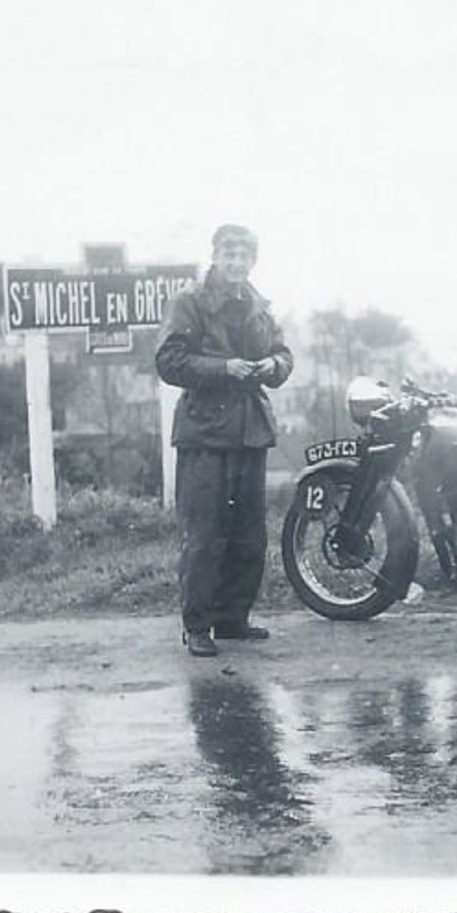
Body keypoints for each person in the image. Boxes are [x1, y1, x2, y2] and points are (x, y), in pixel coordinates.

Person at [156, 224, 294, 657]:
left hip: (249, 430)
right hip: (204, 431)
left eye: (243, 257)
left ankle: (233, 619)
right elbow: (168, 360)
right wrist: (223, 368)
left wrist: (273, 365)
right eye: (228, 255)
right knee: (204, 532)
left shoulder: (259, 304)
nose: (236, 263)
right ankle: (197, 626)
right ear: (214, 256)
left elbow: (284, 354)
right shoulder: (189, 301)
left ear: (252, 261)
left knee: (248, 533)